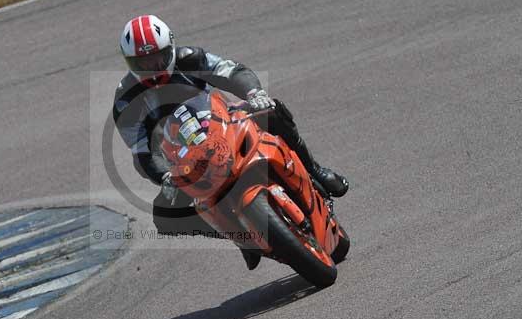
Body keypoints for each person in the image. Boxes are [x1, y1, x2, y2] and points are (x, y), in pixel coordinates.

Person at [112, 15, 348, 270]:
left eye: (157, 58)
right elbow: (142, 152)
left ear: (170, 47)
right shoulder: (125, 99)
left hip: (224, 121)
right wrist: (164, 176)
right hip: (184, 157)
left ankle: (315, 171)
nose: (153, 68)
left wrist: (254, 93)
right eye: (142, 63)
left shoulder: (190, 58)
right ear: (129, 62)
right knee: (165, 218)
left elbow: (232, 71)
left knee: (273, 111)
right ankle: (239, 238)